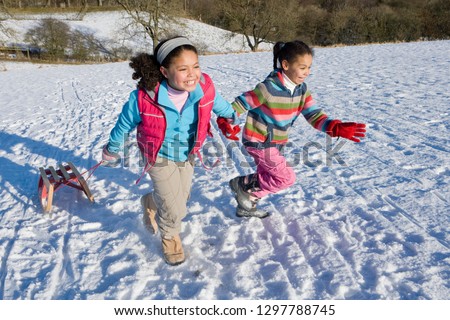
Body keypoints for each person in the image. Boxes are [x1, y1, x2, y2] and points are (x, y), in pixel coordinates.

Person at [101, 36, 239, 266]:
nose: (192, 74)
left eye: (195, 66)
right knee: (175, 206)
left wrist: (230, 117)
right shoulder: (144, 98)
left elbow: (220, 104)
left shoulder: (204, 87)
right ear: (165, 71)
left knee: (181, 197)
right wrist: (111, 149)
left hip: (187, 152)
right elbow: (124, 124)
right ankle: (170, 236)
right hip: (157, 155)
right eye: (183, 69)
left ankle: (150, 202)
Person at [229, 40, 366, 218]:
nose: (307, 72)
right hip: (258, 140)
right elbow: (241, 103)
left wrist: (334, 127)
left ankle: (246, 206)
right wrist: (228, 120)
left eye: (309, 67)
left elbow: (314, 115)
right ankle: (243, 184)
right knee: (285, 178)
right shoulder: (268, 88)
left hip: (276, 142)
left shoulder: (302, 90)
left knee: (268, 175)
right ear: (285, 65)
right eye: (302, 67)